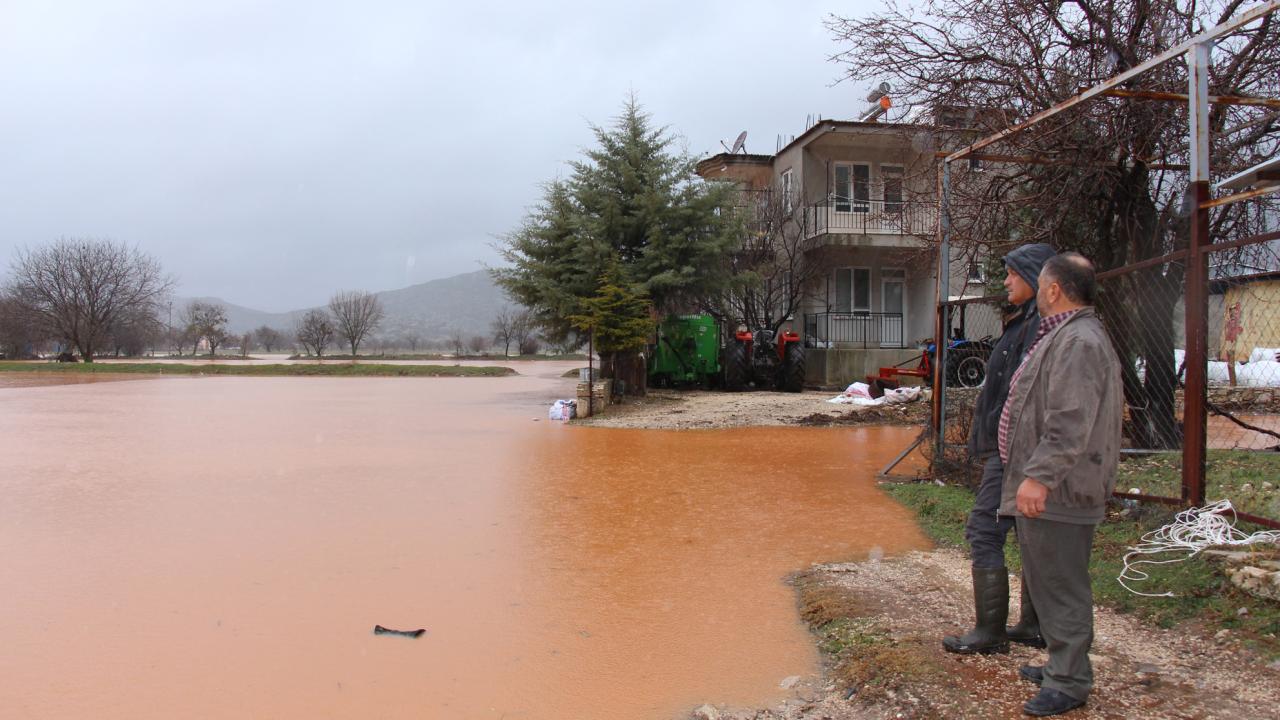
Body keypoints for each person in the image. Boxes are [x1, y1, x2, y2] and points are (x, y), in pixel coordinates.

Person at [998, 252, 1122, 717]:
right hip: (1055, 487)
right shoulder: (1067, 335)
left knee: (1062, 583)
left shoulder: (1078, 342)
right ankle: (1060, 664)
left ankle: (1068, 681)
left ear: (1053, 290)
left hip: (1062, 489)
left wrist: (1039, 477)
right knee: (1050, 580)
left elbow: (1070, 421)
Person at [942, 242, 1056, 656]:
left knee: (984, 530)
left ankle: (990, 631)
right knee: (1029, 531)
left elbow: (1025, 395)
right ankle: (1033, 624)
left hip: (1014, 451)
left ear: (1032, 277)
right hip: (1013, 447)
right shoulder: (1025, 322)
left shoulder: (1036, 327)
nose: (1005, 281)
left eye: (1011, 273)